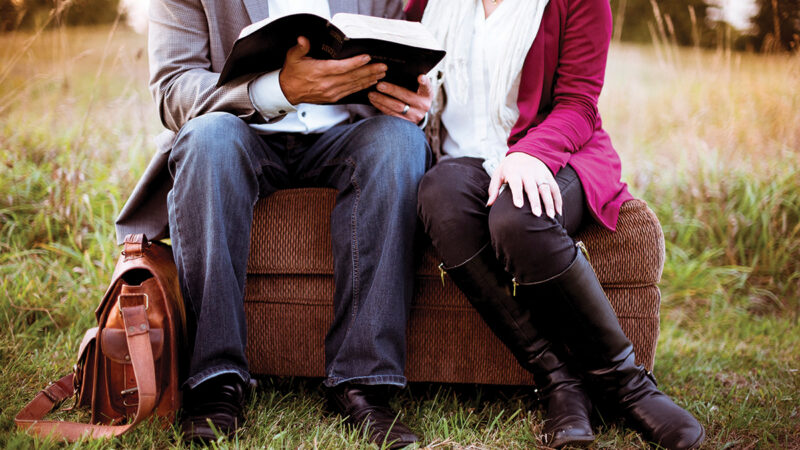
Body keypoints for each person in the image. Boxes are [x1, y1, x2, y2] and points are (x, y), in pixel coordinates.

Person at [115, 0, 433, 446]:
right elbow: (173, 90)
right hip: (237, 131)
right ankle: (214, 382)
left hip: (349, 134)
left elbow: (409, 61)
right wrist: (280, 89)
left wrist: (414, 102)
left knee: (401, 143)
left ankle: (364, 384)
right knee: (208, 139)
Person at [403, 0, 705, 448]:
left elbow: (579, 103)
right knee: (438, 198)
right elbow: (410, 86)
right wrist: (410, 106)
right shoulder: (425, 5)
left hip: (555, 154)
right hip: (461, 160)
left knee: (519, 216)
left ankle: (626, 384)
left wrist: (529, 153)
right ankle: (560, 381)